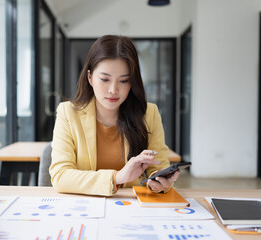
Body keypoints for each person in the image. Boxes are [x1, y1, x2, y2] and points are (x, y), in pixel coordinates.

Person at [49, 35, 180, 196]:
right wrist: (117, 177)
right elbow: (60, 176)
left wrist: (159, 182)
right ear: (90, 77)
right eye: (104, 79)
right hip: (84, 206)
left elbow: (157, 168)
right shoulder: (68, 113)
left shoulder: (148, 114)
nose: (113, 90)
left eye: (124, 81)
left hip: (130, 208)